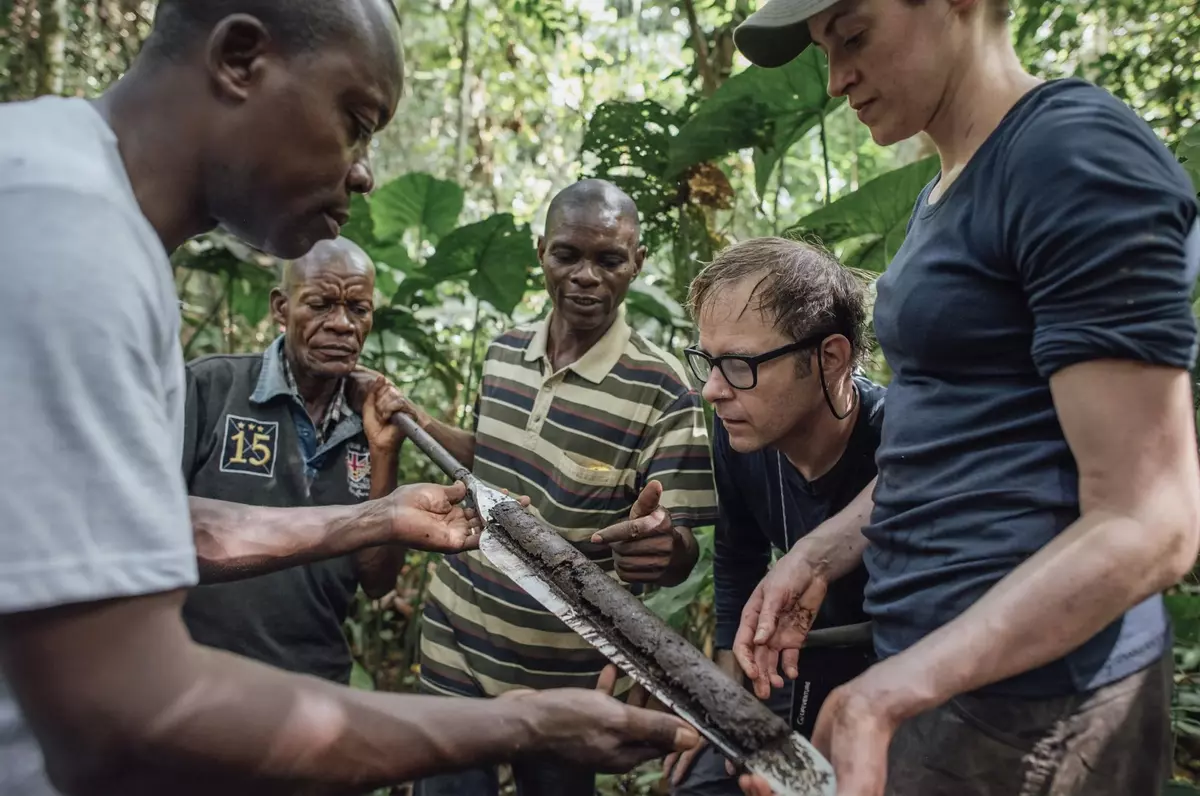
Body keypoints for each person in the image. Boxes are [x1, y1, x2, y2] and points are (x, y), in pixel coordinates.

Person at [0, 2, 700, 794]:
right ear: (240, 59)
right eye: (356, 120)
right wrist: (527, 721)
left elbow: (133, 533)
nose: (364, 170)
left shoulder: (53, 184)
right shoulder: (68, 242)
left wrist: (377, 514)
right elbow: (126, 702)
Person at [730, 0, 1200, 795]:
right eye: (822, 49)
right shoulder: (947, 187)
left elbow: (1152, 522)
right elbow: (955, 445)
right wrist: (822, 549)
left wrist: (891, 693)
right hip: (943, 674)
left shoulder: (1068, 153)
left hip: (1042, 706)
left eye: (852, 36)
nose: (838, 77)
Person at [394, 178, 721, 796]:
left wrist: (664, 550)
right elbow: (491, 455)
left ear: (638, 262)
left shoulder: (666, 389)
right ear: (541, 251)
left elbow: (678, 549)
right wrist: (420, 421)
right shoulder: (502, 352)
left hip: (570, 681)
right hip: (455, 645)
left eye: (609, 259)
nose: (586, 276)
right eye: (567, 255)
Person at [664, 237, 885, 795]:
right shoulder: (741, 431)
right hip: (791, 662)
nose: (713, 390)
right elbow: (738, 557)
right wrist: (721, 707)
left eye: (738, 365)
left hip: (888, 672)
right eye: (708, 362)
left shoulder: (899, 438)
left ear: (829, 358)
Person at [182, 237, 412, 684]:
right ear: (281, 308)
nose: (342, 324)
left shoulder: (373, 420)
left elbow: (378, 581)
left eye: (358, 309)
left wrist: (385, 451)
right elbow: (141, 531)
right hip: (198, 672)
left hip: (314, 679)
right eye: (321, 304)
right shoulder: (211, 387)